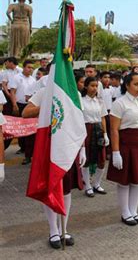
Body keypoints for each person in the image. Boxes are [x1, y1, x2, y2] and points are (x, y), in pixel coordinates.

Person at [22, 76, 87, 249]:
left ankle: (64, 228)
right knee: (50, 187)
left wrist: (82, 148)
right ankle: (53, 231)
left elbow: (79, 122)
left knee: (66, 190)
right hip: (48, 146)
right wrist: (47, 105)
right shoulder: (44, 92)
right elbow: (25, 112)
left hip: (69, 146)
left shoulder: (75, 95)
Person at [107, 72, 138, 226]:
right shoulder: (120, 103)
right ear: (127, 85)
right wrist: (115, 152)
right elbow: (114, 129)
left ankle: (134, 210)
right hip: (126, 144)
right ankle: (125, 212)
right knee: (124, 181)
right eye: (136, 84)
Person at [81, 77, 109, 197]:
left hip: (98, 130)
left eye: (96, 86)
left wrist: (105, 134)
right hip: (86, 129)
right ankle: (87, 185)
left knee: (101, 159)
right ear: (86, 86)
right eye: (92, 85)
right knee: (86, 159)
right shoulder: (81, 100)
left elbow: (103, 118)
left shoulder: (100, 101)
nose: (94, 88)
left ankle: (97, 183)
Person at [9, 60, 35, 163]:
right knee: (20, 127)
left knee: (28, 128)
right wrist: (14, 105)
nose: (30, 69)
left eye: (32, 68)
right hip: (19, 104)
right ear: (23, 67)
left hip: (29, 105)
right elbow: (12, 92)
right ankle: (22, 147)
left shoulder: (33, 80)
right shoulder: (17, 78)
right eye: (28, 67)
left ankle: (27, 151)